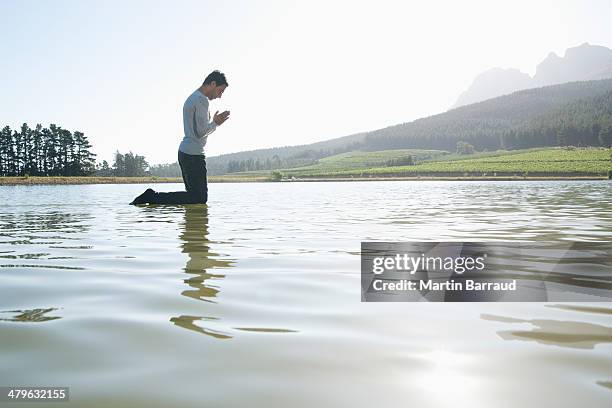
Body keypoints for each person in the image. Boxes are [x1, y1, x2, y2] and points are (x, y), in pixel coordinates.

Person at [130, 70, 230, 205]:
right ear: (213, 83)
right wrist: (215, 123)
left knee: (193, 198)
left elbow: (197, 131)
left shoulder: (193, 97)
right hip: (193, 155)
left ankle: (188, 224)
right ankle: (152, 196)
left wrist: (213, 123)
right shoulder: (201, 100)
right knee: (199, 199)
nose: (220, 96)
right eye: (220, 91)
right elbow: (200, 132)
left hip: (186, 153)